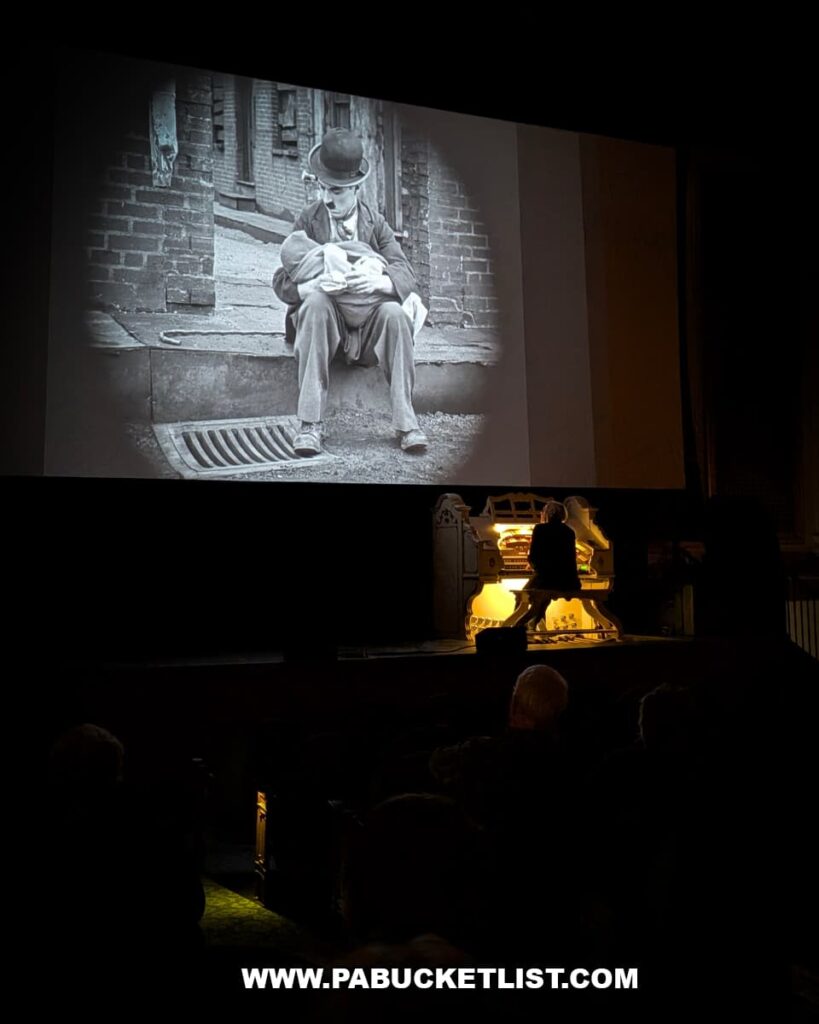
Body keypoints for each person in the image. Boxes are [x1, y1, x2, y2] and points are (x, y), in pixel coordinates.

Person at [272, 128, 428, 456]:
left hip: (368, 332)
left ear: (356, 187)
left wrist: (379, 281)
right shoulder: (309, 220)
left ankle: (407, 423)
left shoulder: (375, 223)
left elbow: (406, 273)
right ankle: (310, 425)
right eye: (323, 188)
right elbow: (281, 280)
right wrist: (311, 285)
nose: (328, 199)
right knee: (313, 304)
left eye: (338, 191)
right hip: (326, 328)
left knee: (396, 314)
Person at [503, 500, 580, 629]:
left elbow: (533, 557)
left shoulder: (540, 529)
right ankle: (534, 626)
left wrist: (534, 567)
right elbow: (570, 559)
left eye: (543, 512)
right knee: (544, 597)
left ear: (548, 514)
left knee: (522, 596)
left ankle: (517, 628)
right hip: (569, 580)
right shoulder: (569, 532)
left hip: (547, 578)